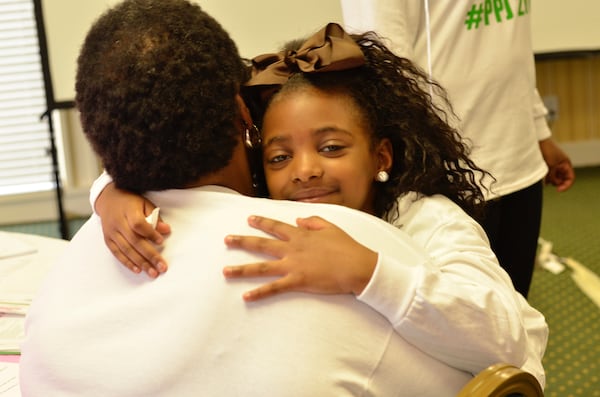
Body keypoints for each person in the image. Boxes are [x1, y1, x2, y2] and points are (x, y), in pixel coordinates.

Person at [83, 15, 548, 391]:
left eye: (331, 148)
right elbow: (167, 151)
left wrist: (369, 271)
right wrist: (110, 191)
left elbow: (504, 338)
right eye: (280, 156)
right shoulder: (267, 201)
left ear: (380, 156)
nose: (305, 170)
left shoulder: (429, 221)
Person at [339, 0, 576, 298]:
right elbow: (385, 71)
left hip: (519, 161)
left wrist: (539, 131)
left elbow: (509, 46)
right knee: (451, 327)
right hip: (445, 177)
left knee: (515, 316)